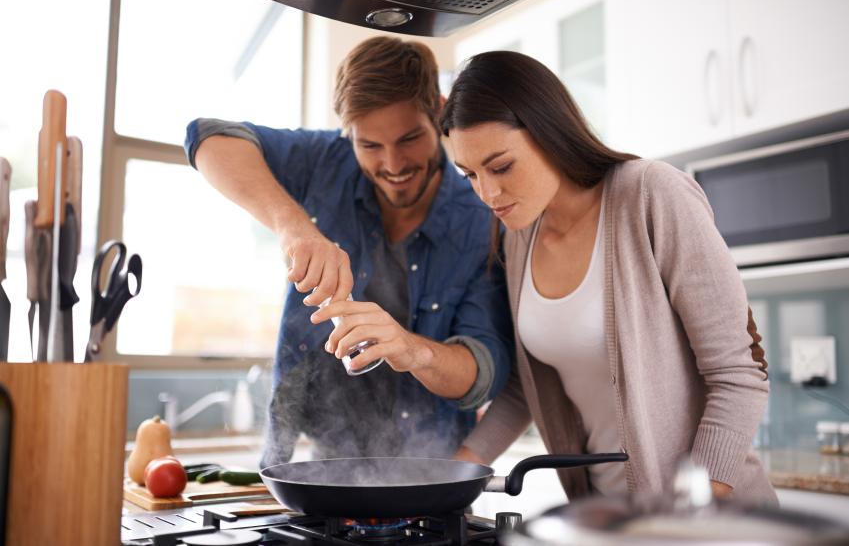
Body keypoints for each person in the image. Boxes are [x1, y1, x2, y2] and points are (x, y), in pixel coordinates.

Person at [440, 51, 776, 504]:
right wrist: (446, 480)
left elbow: (738, 374)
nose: (488, 193)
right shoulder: (520, 235)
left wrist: (689, 515)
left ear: (549, 131)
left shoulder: (652, 195)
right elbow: (529, 386)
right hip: (606, 518)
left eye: (501, 167)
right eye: (470, 175)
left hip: (711, 522)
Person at [184, 37, 513, 466]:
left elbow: (482, 372)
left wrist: (411, 350)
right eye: (370, 145)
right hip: (313, 461)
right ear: (348, 134)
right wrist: (296, 230)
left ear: (440, 110)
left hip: (430, 477)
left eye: (409, 138)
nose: (392, 165)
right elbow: (206, 138)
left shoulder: (481, 221)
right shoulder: (327, 161)